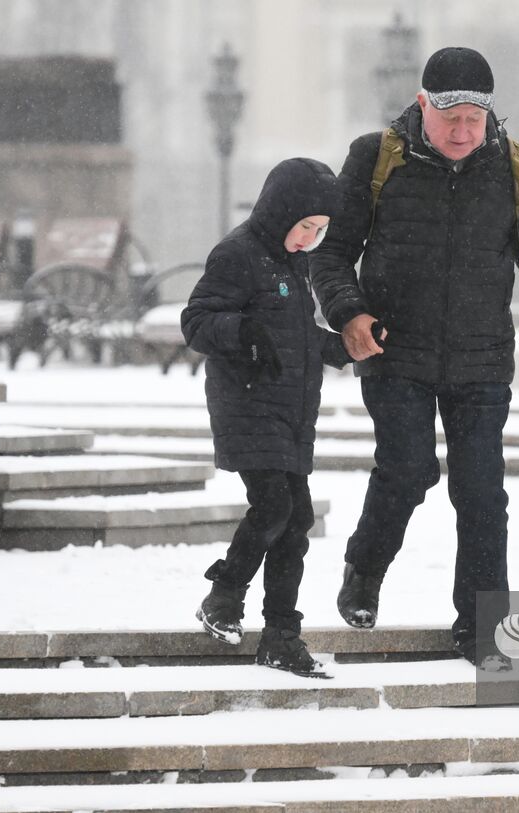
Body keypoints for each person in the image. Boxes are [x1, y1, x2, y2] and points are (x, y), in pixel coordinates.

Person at [311, 46, 519, 671]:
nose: (463, 133)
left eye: (474, 121)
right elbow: (329, 257)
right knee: (407, 473)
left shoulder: (515, 168)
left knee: (483, 493)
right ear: (422, 106)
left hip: (482, 360)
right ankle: (364, 567)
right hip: (394, 350)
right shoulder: (375, 158)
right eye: (449, 119)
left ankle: (484, 628)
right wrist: (349, 314)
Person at [181, 157, 351, 677]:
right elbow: (197, 320)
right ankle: (223, 597)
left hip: (290, 412)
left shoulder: (291, 264)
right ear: (281, 213)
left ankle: (280, 635)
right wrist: (242, 333)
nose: (310, 240)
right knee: (275, 507)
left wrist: (341, 347)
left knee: (295, 520)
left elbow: (293, 335)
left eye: (320, 231)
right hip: (247, 404)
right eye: (306, 227)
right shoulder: (238, 254)